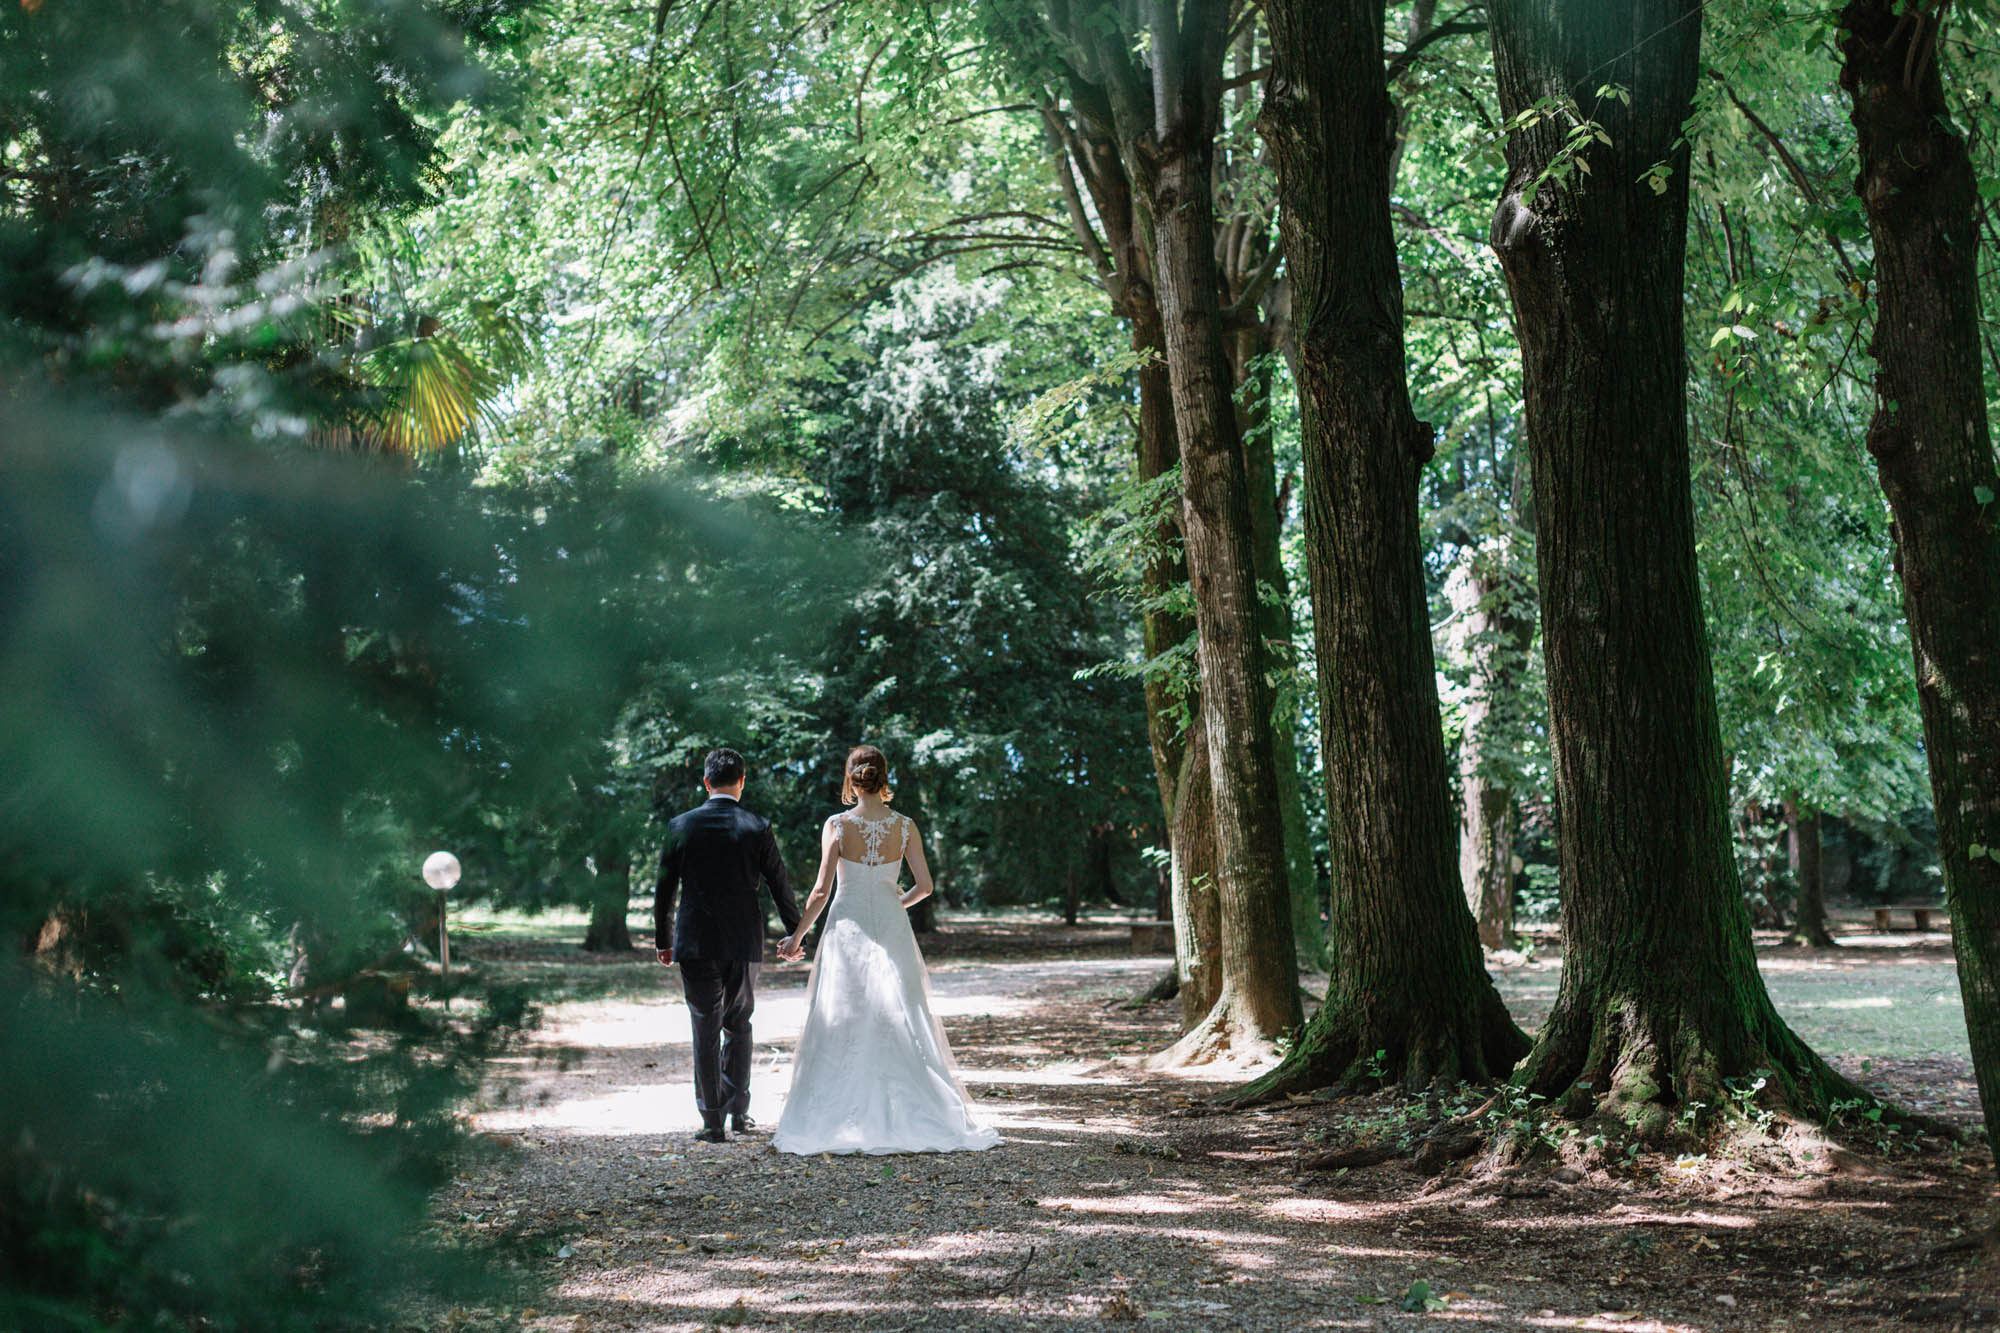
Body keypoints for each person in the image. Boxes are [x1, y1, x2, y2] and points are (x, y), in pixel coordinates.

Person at [771, 745, 998, 1155]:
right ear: (883, 777)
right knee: (902, 1012)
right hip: (891, 926)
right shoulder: (905, 826)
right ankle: (914, 1112)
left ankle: (840, 1117)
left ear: (850, 778)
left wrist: (796, 938)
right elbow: (925, 887)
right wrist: (897, 902)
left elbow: (822, 891)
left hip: (847, 928)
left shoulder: (837, 825)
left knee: (843, 1012)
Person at [655, 748, 803, 1144]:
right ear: (742, 781)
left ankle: (711, 1121)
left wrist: (663, 940)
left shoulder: (681, 825)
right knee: (739, 1024)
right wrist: (795, 932)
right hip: (742, 939)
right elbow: (778, 883)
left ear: (706, 782)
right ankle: (740, 1112)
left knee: (704, 1025)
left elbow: (665, 889)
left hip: (696, 938)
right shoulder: (757, 826)